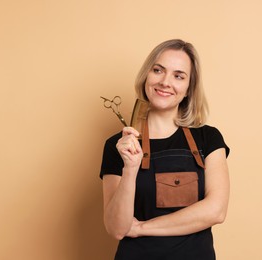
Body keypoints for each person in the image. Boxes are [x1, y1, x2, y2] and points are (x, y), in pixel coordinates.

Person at [99, 39, 230, 260]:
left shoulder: (208, 138)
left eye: (178, 76)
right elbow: (117, 228)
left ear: (189, 88)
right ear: (146, 76)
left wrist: (141, 228)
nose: (165, 82)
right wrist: (130, 168)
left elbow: (216, 211)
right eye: (158, 70)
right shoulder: (118, 146)